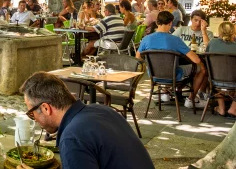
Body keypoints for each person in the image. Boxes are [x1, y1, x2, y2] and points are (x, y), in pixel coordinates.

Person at [20, 72, 154, 169]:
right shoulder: (102, 110)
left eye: (32, 113)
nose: (35, 119)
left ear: (45, 108)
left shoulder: (72, 137)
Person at [137, 11, 207, 109]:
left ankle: (165, 93)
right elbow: (196, 60)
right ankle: (191, 99)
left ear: (157, 23)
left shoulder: (146, 39)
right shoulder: (175, 40)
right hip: (173, 74)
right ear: (170, 23)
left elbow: (138, 57)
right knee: (202, 68)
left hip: (153, 74)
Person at [206, 22, 236, 118]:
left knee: (219, 73)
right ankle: (233, 109)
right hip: (233, 81)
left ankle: (221, 108)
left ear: (219, 32)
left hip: (215, 81)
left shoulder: (212, 43)